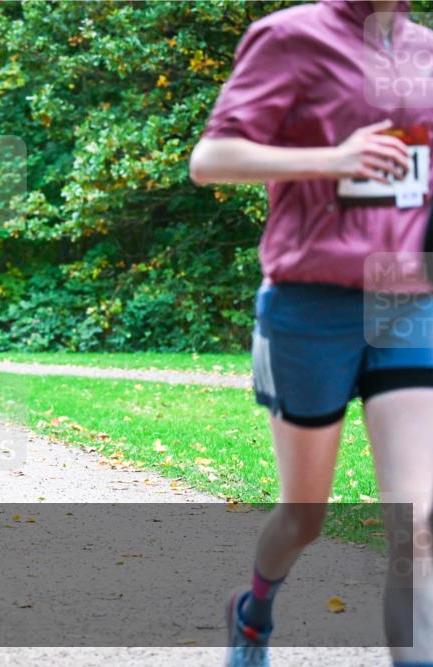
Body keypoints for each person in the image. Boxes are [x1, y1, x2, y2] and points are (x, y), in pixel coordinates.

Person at [190, 2, 432, 666]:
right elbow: (210, 159)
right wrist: (336, 157)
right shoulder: (291, 36)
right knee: (304, 517)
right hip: (310, 301)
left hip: (407, 298)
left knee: (418, 524)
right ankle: (253, 613)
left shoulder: (426, 51)